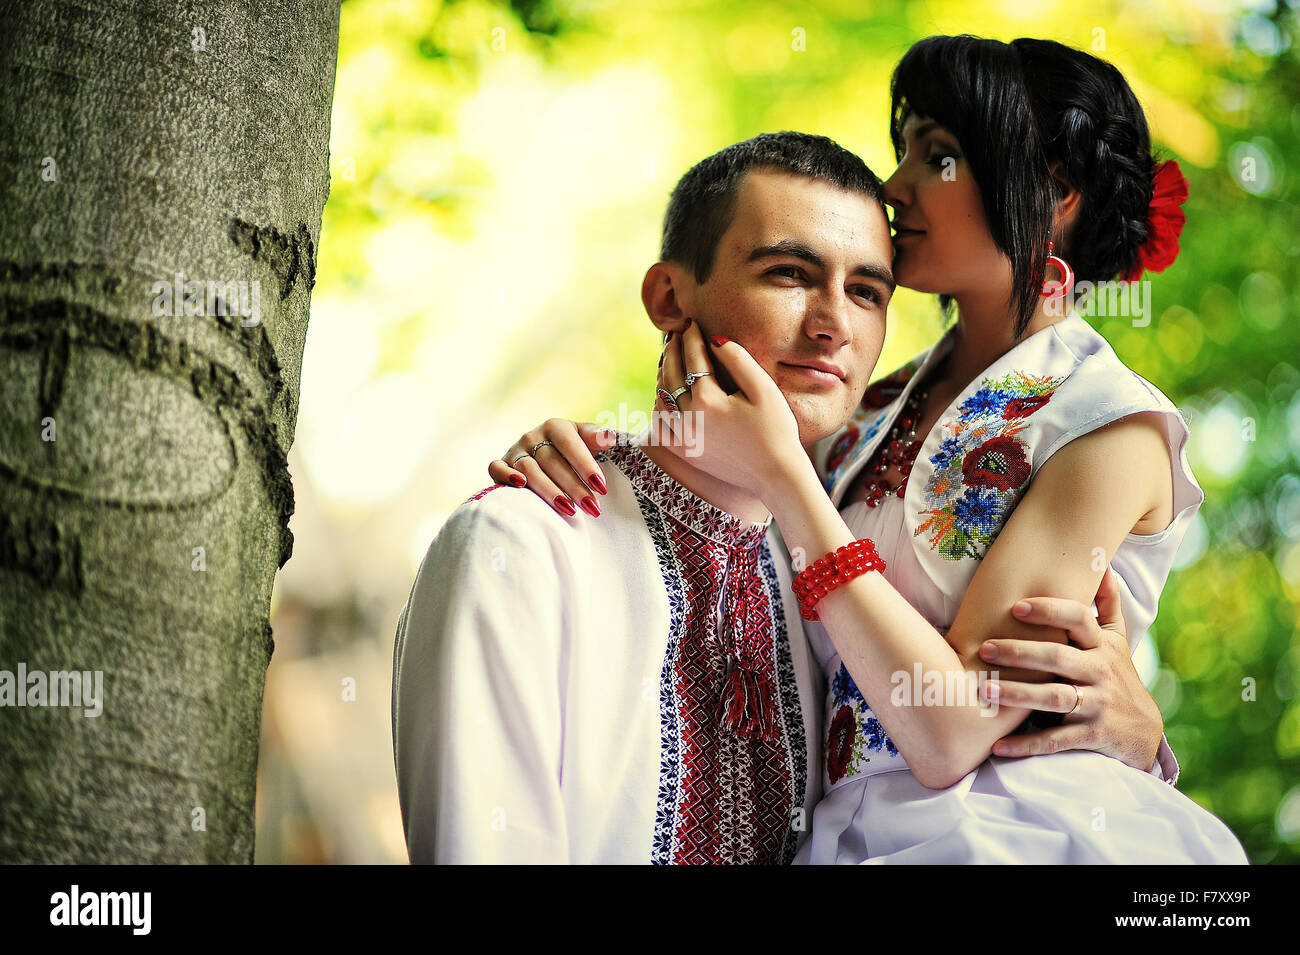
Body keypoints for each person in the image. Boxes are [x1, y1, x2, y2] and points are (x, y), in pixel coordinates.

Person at [490, 37, 1248, 863]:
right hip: (834, 836)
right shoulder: (875, 402)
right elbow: (737, 515)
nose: (896, 187)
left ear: (1054, 191)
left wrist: (785, 475)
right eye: (905, 152)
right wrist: (594, 450)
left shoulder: (1109, 423)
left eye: (940, 156)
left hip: (1018, 834)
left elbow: (951, 728)